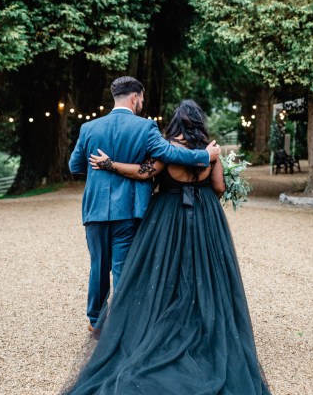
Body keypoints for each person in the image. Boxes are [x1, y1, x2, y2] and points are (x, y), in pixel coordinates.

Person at [0, 100, 313, 395]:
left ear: (176, 123)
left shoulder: (167, 149)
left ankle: (159, 325)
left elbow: (146, 174)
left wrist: (112, 166)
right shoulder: (209, 151)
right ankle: (201, 324)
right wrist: (214, 167)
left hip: (166, 220)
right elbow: (218, 188)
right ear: (199, 122)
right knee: (206, 280)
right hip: (205, 224)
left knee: (163, 279)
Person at [68, 77, 220, 331]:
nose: (142, 103)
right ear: (135, 97)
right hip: (127, 209)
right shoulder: (145, 127)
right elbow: (170, 153)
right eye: (142, 98)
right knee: (123, 268)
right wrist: (204, 155)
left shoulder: (89, 128)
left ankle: (95, 320)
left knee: (98, 265)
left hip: (94, 209)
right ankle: (122, 321)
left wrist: (102, 170)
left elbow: (75, 166)